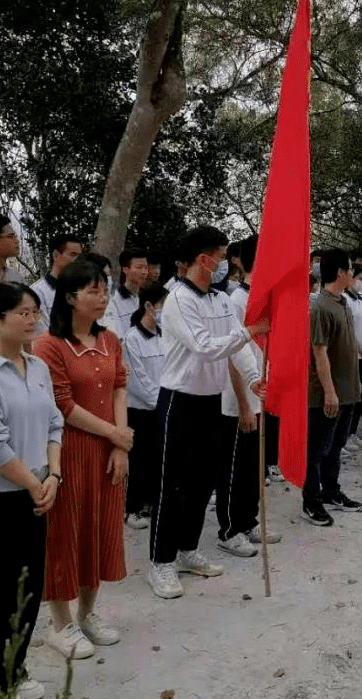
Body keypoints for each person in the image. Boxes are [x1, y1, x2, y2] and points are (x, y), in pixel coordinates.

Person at [147, 226, 267, 600]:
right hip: (179, 401)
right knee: (173, 484)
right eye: (221, 255)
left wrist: (253, 378)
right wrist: (249, 332)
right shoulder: (179, 300)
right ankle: (161, 562)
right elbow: (204, 346)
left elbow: (236, 350)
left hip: (210, 402)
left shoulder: (219, 300)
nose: (225, 263)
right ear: (205, 259)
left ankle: (186, 550)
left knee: (202, 483)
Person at [0, 282, 63, 699]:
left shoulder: (36, 367)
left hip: (36, 493)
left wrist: (53, 476)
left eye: (35, 311)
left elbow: (54, 423)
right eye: (22, 312)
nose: (32, 318)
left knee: (27, 589)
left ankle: (14, 668)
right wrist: (37, 483)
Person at [31, 257, 131, 660]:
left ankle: (88, 613)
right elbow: (62, 403)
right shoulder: (49, 346)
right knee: (65, 534)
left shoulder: (109, 339)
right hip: (68, 451)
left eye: (105, 289)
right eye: (93, 290)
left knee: (101, 529)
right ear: (70, 297)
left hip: (109, 452)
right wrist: (114, 434)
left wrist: (120, 444)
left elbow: (121, 386)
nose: (103, 297)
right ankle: (60, 623)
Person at [217, 233, 282, 556]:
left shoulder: (266, 298)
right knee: (235, 466)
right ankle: (229, 529)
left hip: (260, 393)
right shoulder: (236, 301)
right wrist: (243, 403)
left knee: (253, 465)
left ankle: (248, 519)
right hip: (237, 398)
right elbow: (232, 354)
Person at [304, 248, 362, 526]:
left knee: (336, 446)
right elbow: (319, 352)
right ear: (340, 272)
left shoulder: (343, 303)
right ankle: (312, 501)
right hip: (326, 394)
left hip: (347, 391)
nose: (354, 274)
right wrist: (329, 391)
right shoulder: (320, 307)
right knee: (318, 450)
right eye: (351, 269)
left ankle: (331, 490)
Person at [122, 282, 167, 531]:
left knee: (156, 458)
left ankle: (151, 501)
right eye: (163, 305)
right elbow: (137, 381)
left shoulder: (164, 335)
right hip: (140, 410)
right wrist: (162, 403)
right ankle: (133, 509)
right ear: (149, 306)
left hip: (162, 407)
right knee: (139, 460)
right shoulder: (131, 339)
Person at [343, 263, 362, 450]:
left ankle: (353, 433)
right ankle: (344, 436)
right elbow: (350, 331)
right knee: (350, 397)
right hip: (352, 354)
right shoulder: (345, 299)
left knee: (360, 396)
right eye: (361, 278)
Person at [31, 234, 84, 334]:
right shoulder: (37, 292)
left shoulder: (83, 290)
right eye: (73, 255)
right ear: (56, 255)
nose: (78, 260)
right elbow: (42, 333)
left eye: (80, 256)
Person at [101, 248, 149, 339]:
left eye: (146, 267)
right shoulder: (114, 300)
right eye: (139, 267)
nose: (144, 272)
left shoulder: (149, 298)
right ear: (125, 269)